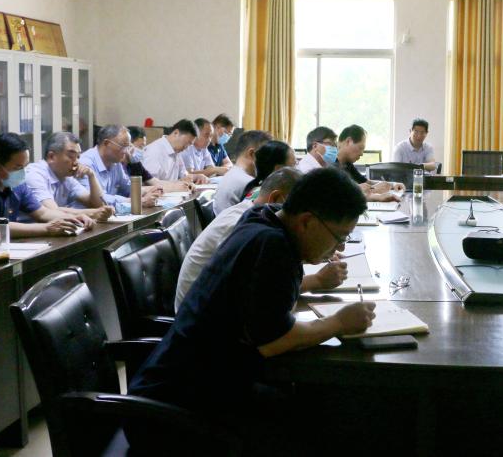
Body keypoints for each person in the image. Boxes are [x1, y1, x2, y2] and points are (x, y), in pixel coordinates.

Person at [128, 168, 375, 453]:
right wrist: (339, 322)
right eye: (339, 236)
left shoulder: (263, 217)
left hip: (192, 387)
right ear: (306, 222)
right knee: (323, 425)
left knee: (312, 411)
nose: (339, 246)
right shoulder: (273, 246)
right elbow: (272, 341)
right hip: (176, 412)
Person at [177, 168, 349, 310]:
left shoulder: (253, 214)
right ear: (276, 199)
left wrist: (318, 251)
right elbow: (259, 291)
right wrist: (317, 280)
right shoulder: (244, 228)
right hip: (203, 318)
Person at [0, 133, 92, 239]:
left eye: (25, 166)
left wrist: (74, 218)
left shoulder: (15, 183)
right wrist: (47, 228)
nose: (23, 173)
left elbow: (42, 213)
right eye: (18, 167)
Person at [24, 132, 114, 221]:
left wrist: (91, 175)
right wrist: (93, 213)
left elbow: (97, 204)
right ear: (51, 156)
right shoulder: (35, 174)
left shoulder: (67, 177)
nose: (76, 162)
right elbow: (52, 211)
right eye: (71, 156)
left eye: (78, 157)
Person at [80, 126, 166, 211]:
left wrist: (148, 191)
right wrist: (137, 201)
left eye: (128, 147)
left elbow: (127, 187)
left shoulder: (115, 162)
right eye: (123, 146)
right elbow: (96, 199)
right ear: (106, 143)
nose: (126, 151)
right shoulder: (85, 164)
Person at [335, 125, 403, 202]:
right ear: (349, 141)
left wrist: (392, 185)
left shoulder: (347, 163)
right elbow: (339, 193)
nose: (361, 154)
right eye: (360, 148)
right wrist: (373, 189)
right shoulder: (329, 162)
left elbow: (366, 182)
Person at [212, 130, 272, 214]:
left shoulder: (233, 174)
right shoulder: (248, 183)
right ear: (252, 154)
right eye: (266, 155)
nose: (269, 161)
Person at [142, 119, 208, 184]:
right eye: (187, 142)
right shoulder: (154, 151)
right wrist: (178, 183)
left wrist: (196, 176)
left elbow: (184, 175)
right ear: (176, 133)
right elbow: (149, 183)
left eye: (190, 144)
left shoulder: (176, 151)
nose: (187, 147)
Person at [235, 140, 298, 205]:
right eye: (294, 164)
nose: (297, 169)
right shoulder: (263, 197)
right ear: (279, 170)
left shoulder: (259, 189)